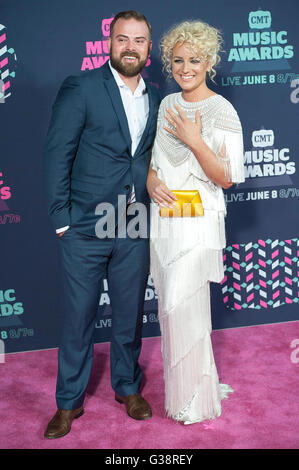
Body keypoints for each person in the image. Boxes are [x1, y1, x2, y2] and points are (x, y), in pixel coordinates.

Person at [44, 10, 160, 439]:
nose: (131, 47)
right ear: (110, 43)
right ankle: (68, 402)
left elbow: (143, 158)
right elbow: (58, 153)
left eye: (140, 40)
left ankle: (127, 387)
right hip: (85, 225)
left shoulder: (156, 95)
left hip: (132, 220)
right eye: (123, 39)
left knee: (129, 314)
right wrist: (61, 220)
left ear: (149, 48)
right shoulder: (82, 87)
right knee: (79, 318)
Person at [147, 20, 245, 424]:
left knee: (183, 304)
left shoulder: (222, 109)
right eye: (178, 60)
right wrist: (151, 181)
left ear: (210, 63)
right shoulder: (168, 104)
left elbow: (227, 175)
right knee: (169, 311)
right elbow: (154, 163)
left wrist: (195, 139)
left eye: (195, 60)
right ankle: (182, 393)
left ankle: (198, 400)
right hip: (165, 220)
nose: (185, 68)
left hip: (197, 222)